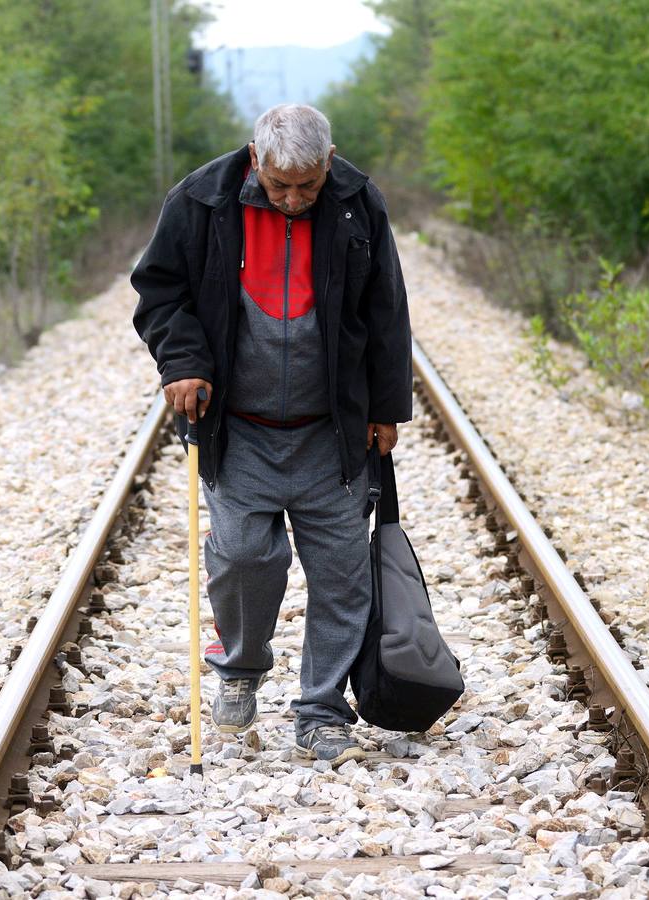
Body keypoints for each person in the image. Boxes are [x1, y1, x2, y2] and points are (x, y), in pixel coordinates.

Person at [132, 103, 412, 766]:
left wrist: (385, 407)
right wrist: (184, 362)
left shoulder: (355, 202)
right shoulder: (202, 200)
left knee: (344, 576)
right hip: (238, 426)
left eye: (307, 186)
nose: (293, 199)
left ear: (330, 162)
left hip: (329, 428)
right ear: (257, 159)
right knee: (242, 559)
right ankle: (240, 667)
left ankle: (321, 711)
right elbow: (159, 290)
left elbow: (386, 306)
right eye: (282, 185)